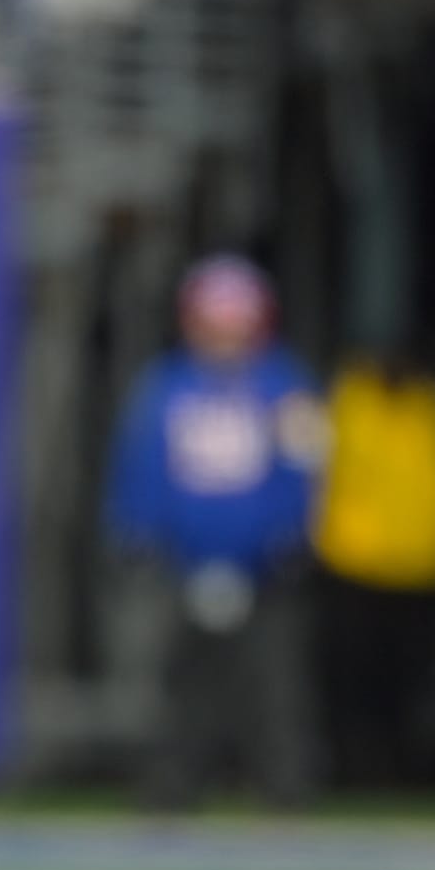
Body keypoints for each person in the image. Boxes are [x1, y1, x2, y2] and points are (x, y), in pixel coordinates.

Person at [104, 254, 324, 810]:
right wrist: (137, 531)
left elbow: (304, 469)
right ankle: (169, 794)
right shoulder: (165, 387)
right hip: (179, 565)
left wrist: (289, 539)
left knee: (273, 688)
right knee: (179, 687)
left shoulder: (285, 386)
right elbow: (142, 466)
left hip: (266, 571)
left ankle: (285, 794)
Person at [312, 346, 435, 787]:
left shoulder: (432, 405)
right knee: (352, 683)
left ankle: (402, 772)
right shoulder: (349, 401)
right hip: (354, 567)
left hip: (420, 571)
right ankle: (349, 771)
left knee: (410, 683)